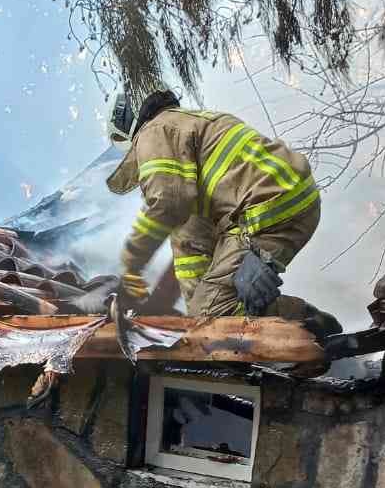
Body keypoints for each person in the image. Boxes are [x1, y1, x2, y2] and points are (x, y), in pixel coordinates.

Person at [98, 86, 339, 338]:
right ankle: (312, 326)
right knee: (208, 315)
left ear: (127, 129)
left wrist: (131, 266)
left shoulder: (155, 131)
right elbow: (191, 246)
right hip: (291, 201)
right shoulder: (190, 130)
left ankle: (309, 335)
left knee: (214, 322)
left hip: (263, 208)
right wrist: (194, 314)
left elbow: (168, 203)